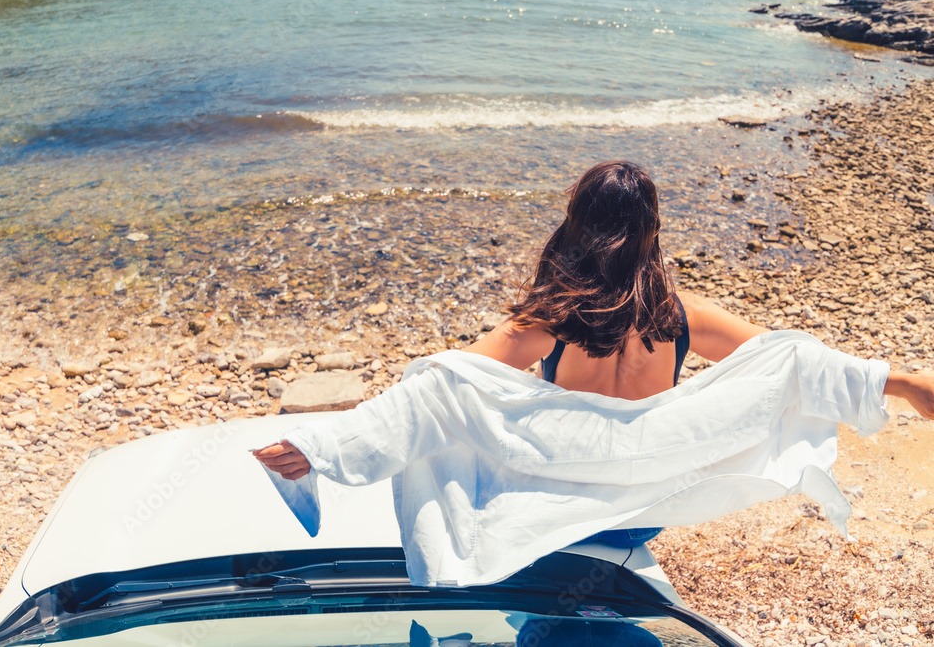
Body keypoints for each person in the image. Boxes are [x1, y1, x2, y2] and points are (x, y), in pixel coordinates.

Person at [253, 160, 934, 491]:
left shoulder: (551, 319)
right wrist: (896, 382)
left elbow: (443, 384)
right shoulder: (680, 316)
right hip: (650, 483)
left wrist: (328, 444)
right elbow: (790, 358)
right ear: (651, 231)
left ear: (576, 223)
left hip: (567, 483)